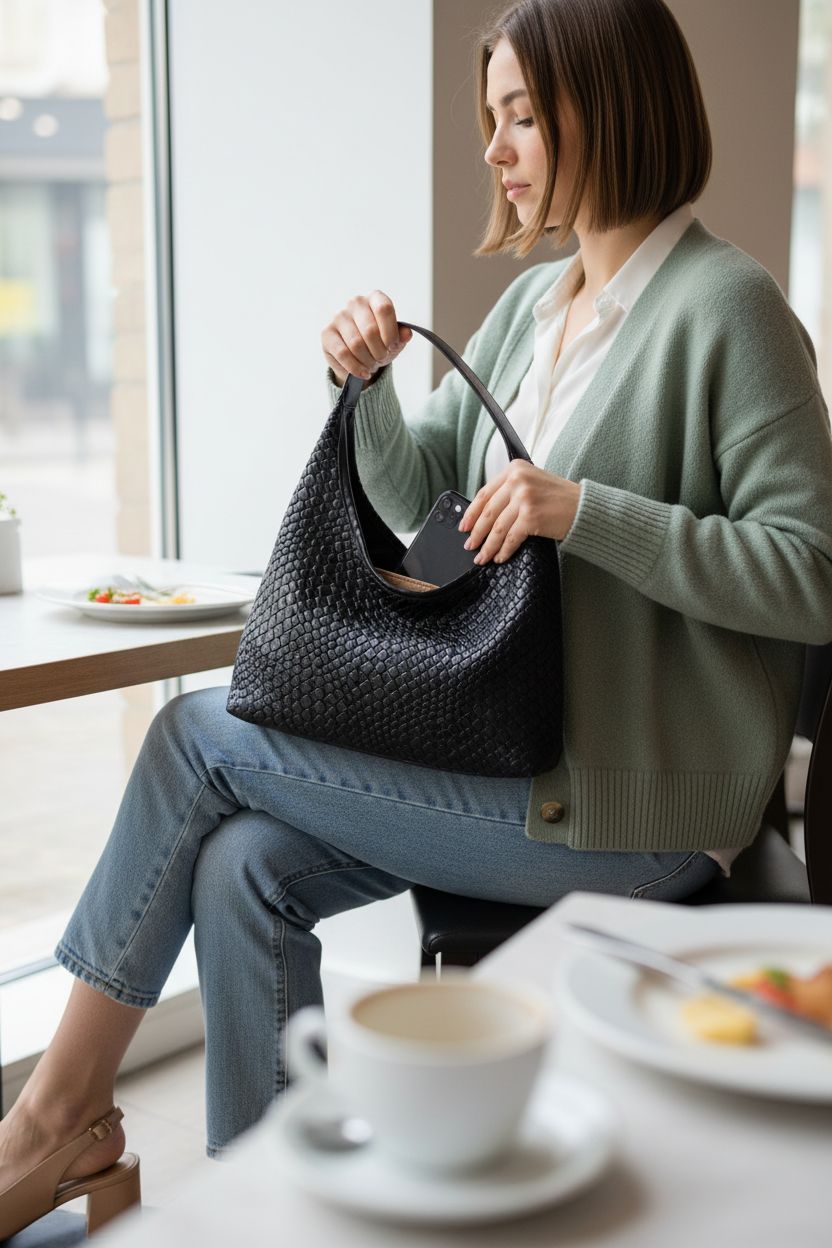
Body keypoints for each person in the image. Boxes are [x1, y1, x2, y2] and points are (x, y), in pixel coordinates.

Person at [3, 0, 832, 1236]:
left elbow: (807, 573)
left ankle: (50, 1119)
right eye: (489, 117)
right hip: (510, 759)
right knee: (240, 864)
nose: (495, 149)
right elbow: (424, 511)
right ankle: (270, 1200)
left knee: (192, 737)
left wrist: (581, 510)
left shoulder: (732, 308)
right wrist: (366, 384)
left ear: (608, 104)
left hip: (642, 801)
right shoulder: (539, 310)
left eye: (521, 115)